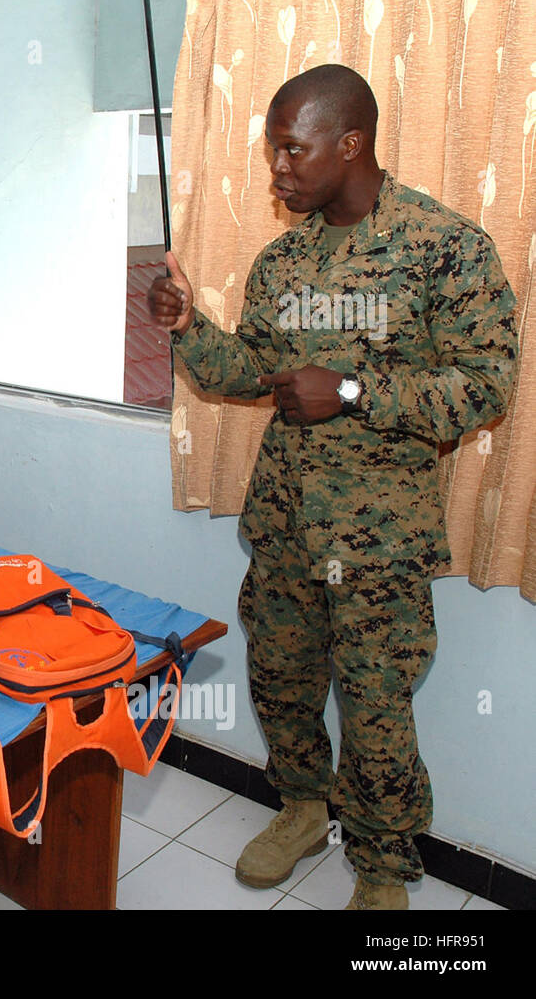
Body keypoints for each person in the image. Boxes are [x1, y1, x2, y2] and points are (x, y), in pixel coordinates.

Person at [146, 64, 518, 910]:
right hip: (285, 525)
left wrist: (351, 392)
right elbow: (250, 371)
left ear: (350, 144)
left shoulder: (444, 247)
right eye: (273, 151)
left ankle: (385, 870)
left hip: (379, 543)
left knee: (376, 708)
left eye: (290, 151)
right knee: (281, 678)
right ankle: (303, 808)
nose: (277, 170)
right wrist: (187, 327)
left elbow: (487, 387)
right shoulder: (285, 260)